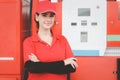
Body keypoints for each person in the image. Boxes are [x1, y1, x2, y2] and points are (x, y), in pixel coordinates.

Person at [23, 1, 78, 80]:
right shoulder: (29, 42)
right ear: (37, 17)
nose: (48, 19)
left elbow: (71, 67)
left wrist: (39, 64)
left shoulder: (62, 40)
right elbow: (32, 67)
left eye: (51, 16)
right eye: (44, 15)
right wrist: (63, 63)